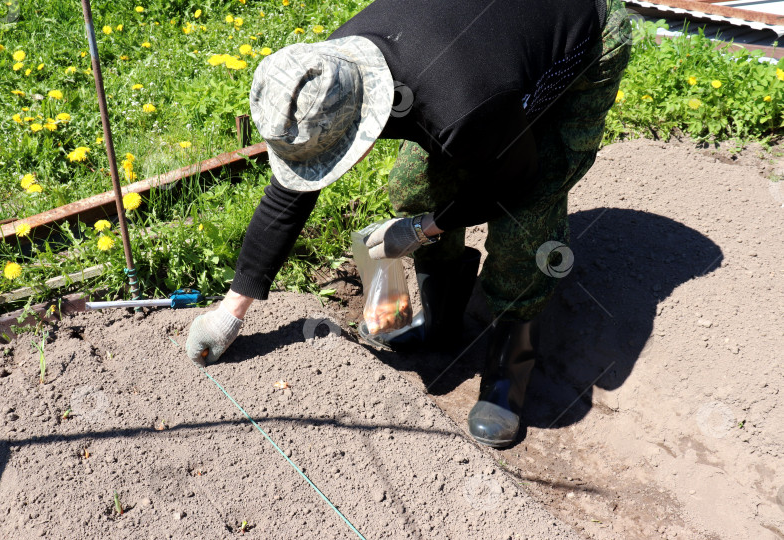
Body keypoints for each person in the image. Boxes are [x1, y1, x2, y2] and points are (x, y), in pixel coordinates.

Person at [186, 0, 631, 447]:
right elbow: (290, 196)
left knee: (526, 220)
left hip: (583, 36)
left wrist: (421, 231)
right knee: (413, 187)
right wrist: (230, 312)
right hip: (482, 59)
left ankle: (507, 369)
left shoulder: (460, 106)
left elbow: (513, 184)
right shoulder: (327, 72)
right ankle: (441, 321)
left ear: (363, 120)